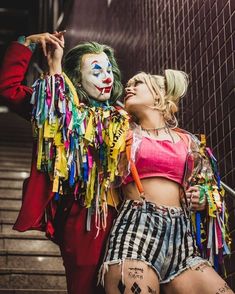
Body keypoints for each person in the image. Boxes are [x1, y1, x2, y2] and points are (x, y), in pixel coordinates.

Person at [0, 32, 129, 294]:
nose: (106, 77)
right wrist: (28, 44)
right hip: (84, 219)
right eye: (96, 71)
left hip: (127, 216)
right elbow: (9, 88)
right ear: (77, 80)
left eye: (108, 70)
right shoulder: (54, 109)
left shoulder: (124, 117)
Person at [99, 70, 232, 294]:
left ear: (160, 95)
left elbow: (211, 189)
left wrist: (204, 196)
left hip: (182, 238)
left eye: (138, 83)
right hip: (136, 230)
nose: (129, 87)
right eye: (129, 84)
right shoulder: (122, 132)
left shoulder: (187, 141)